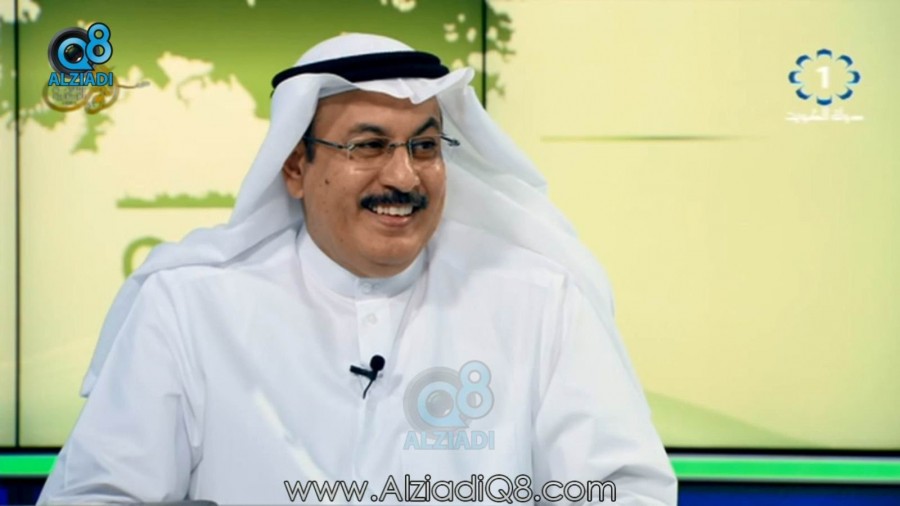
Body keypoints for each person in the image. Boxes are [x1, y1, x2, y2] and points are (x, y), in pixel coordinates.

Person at [38, 34, 677, 504]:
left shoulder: (541, 302)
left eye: (424, 146)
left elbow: (625, 490)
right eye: (368, 145)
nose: (404, 176)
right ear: (296, 167)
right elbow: (98, 494)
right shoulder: (189, 307)